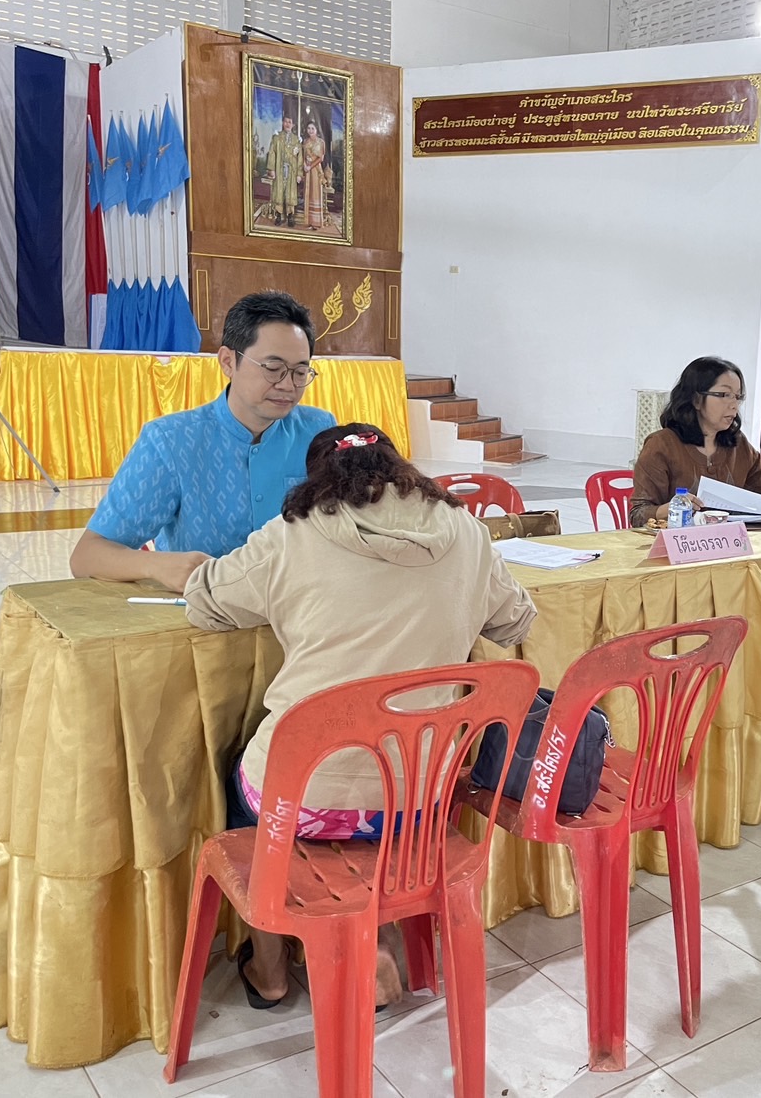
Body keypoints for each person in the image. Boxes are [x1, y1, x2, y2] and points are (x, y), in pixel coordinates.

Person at [184, 422, 537, 1008]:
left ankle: (269, 966)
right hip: (415, 805)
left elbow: (206, 602)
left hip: (301, 804)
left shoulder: (292, 533)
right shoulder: (467, 532)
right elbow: (515, 622)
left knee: (243, 765)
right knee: (384, 763)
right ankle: (378, 937)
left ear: (319, 482)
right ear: (402, 472)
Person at [69, 291, 336, 592]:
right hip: (208, 618)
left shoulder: (319, 430)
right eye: (273, 370)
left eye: (300, 372)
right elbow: (87, 555)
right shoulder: (171, 442)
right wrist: (156, 565)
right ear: (227, 362)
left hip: (302, 612)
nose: (288, 385)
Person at [630, 356, 761, 527]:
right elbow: (638, 514)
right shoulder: (661, 444)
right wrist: (674, 507)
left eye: (738, 396)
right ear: (696, 399)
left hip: (729, 544)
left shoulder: (737, 443)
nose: (734, 405)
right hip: (675, 547)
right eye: (724, 395)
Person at [265, 115, 300, 227]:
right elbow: (272, 153)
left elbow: (300, 157)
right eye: (286, 122)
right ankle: (279, 215)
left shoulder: (296, 140)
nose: (288, 124)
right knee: (279, 191)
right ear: (283, 123)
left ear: (293, 125)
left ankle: (290, 216)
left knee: (290, 193)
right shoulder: (276, 137)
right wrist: (271, 169)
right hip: (279, 169)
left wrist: (299, 173)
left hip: (291, 170)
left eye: (290, 122)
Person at [301, 121, 329, 232]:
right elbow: (303, 156)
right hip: (307, 171)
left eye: (312, 128)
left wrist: (310, 166)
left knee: (315, 194)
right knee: (308, 194)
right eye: (308, 128)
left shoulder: (321, 142)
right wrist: (304, 165)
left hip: (316, 170)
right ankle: (309, 221)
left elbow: (320, 158)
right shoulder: (305, 142)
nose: (310, 130)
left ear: (316, 130)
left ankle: (316, 223)